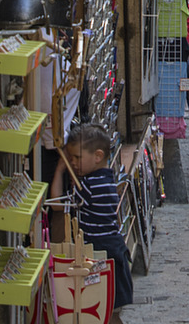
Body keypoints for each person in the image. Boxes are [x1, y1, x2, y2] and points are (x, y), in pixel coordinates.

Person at [51, 123, 133, 321]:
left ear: (97, 156)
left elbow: (56, 205)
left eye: (77, 158)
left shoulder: (87, 186)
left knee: (102, 310)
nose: (73, 162)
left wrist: (60, 170)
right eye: (71, 158)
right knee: (109, 312)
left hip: (101, 254)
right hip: (113, 251)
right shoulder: (105, 178)